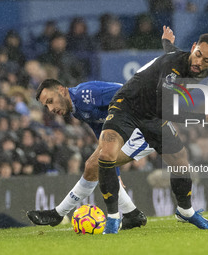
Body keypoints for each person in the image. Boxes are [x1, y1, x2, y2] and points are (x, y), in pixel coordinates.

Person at [97, 26, 208, 234]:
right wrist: (202, 118)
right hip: (127, 105)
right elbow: (165, 109)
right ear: (193, 47)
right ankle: (112, 218)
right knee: (107, 154)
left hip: (152, 114)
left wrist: (166, 41)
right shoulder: (174, 68)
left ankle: (185, 210)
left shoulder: (194, 65)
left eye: (206, 60)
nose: (199, 62)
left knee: (180, 160)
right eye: (198, 55)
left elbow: (170, 50)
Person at [26, 79, 156, 229]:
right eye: (46, 106)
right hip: (129, 129)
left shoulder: (85, 95)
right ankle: (132, 214)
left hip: (146, 125)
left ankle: (57, 214)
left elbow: (127, 93)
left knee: (95, 165)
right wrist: (115, 170)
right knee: (94, 166)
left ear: (61, 90)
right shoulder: (77, 110)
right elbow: (101, 131)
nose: (51, 109)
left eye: (50, 101)